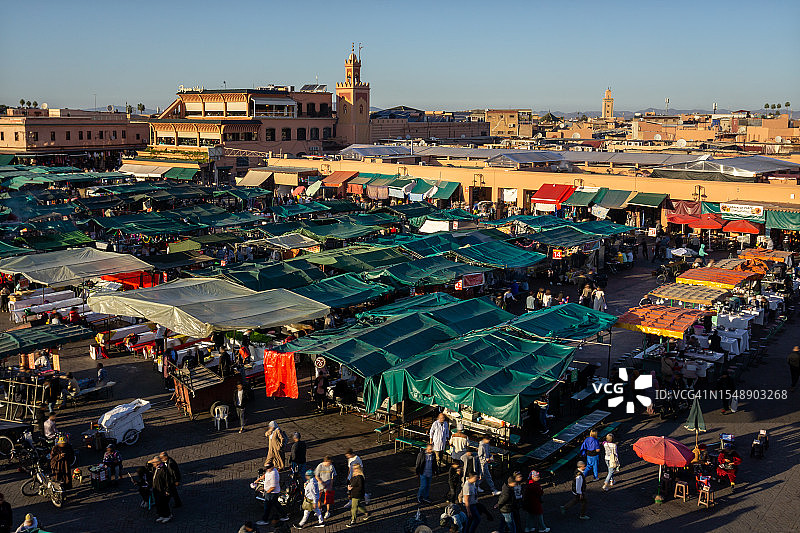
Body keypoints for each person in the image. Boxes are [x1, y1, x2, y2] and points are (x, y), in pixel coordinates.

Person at [255, 462, 281, 527]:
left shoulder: (274, 475)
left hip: (272, 493)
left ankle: (265, 520)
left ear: (272, 467)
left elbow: (273, 487)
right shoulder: (269, 470)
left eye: (268, 468)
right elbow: (265, 475)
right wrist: (258, 480)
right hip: (270, 492)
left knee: (267, 506)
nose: (267, 469)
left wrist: (266, 492)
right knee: (276, 504)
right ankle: (284, 515)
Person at [150, 457, 173, 523]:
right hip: (157, 489)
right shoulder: (156, 469)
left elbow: (167, 481)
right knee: (158, 503)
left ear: (157, 463)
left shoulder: (163, 470)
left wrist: (167, 490)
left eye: (153, 463)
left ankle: (167, 515)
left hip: (162, 490)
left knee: (163, 503)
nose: (153, 464)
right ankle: (162, 515)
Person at [314, 455, 336, 520]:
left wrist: (331, 486)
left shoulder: (331, 466)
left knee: (328, 499)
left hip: (328, 486)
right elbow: (316, 476)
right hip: (320, 486)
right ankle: (320, 509)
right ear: (325, 461)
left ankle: (328, 511)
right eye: (329, 462)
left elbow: (332, 477)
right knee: (318, 498)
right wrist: (321, 482)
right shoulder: (320, 466)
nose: (330, 464)